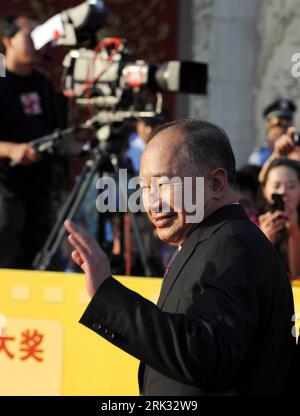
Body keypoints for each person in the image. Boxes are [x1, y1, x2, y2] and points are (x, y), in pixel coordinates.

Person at [64, 119, 296, 396]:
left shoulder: (232, 244)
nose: (152, 203)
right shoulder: (209, 241)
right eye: (145, 189)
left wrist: (108, 296)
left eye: (163, 184)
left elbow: (208, 355)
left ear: (216, 183)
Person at [0, 13, 62, 268]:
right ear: (8, 40)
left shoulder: (43, 83)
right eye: (30, 35)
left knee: (43, 258)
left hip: (39, 191)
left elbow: (56, 134)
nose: (38, 42)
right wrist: (10, 149)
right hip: (4, 189)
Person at [258, 158, 300, 279]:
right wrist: (263, 239)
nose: (283, 192)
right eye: (276, 186)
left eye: (291, 186)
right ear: (265, 191)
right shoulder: (252, 224)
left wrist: (294, 234)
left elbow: (296, 275)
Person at [249, 98, 296, 167]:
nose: (283, 130)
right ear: (269, 125)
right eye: (279, 124)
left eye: (287, 124)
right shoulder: (259, 157)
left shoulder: (295, 152)